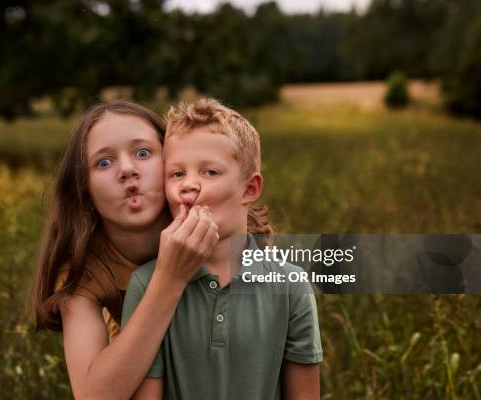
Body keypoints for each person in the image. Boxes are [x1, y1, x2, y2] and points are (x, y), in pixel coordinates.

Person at [122, 98, 323, 399]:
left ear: (249, 189)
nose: (188, 185)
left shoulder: (292, 288)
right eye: (177, 174)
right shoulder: (146, 284)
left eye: (209, 172)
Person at [31, 101, 221, 400]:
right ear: (84, 189)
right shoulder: (84, 267)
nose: (127, 170)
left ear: (172, 161)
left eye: (143, 153)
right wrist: (169, 278)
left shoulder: (216, 222)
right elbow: (94, 395)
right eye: (103, 163)